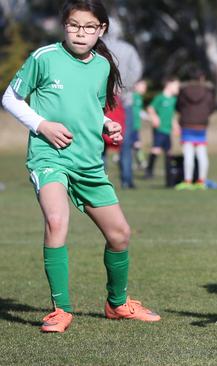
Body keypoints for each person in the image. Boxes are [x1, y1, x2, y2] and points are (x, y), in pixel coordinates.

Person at [1, 0, 160, 333]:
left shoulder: (102, 65)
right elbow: (10, 98)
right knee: (57, 220)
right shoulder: (44, 58)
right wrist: (42, 125)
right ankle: (61, 310)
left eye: (89, 27)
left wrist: (105, 123)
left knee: (120, 235)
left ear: (101, 29)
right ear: (64, 25)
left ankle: (117, 304)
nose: (80, 32)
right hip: (50, 157)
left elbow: (88, 106)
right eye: (74, 25)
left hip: (89, 163)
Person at [103, 16, 143, 189]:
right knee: (125, 142)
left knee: (99, 143)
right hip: (125, 101)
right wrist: (123, 88)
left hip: (101, 101)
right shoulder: (128, 49)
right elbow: (137, 70)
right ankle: (127, 180)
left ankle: (98, 180)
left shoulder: (97, 48)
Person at [174, 68, 215, 191]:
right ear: (202, 78)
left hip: (186, 124)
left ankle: (187, 181)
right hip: (201, 125)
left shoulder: (183, 90)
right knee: (202, 153)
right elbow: (212, 107)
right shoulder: (208, 91)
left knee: (188, 154)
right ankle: (201, 181)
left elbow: (178, 106)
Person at [144, 76, 180, 180]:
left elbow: (172, 114)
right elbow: (150, 108)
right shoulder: (160, 97)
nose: (178, 88)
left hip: (168, 130)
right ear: (169, 85)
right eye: (176, 86)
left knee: (169, 152)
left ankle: (169, 177)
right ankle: (149, 172)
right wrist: (155, 117)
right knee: (156, 150)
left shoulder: (173, 99)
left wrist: (176, 125)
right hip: (159, 129)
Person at [131, 79, 147, 169]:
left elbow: (139, 111)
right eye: (143, 86)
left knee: (136, 144)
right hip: (131, 125)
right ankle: (141, 161)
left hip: (136, 125)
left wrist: (145, 116)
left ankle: (140, 161)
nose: (144, 89)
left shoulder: (139, 97)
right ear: (136, 86)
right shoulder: (133, 96)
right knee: (136, 144)